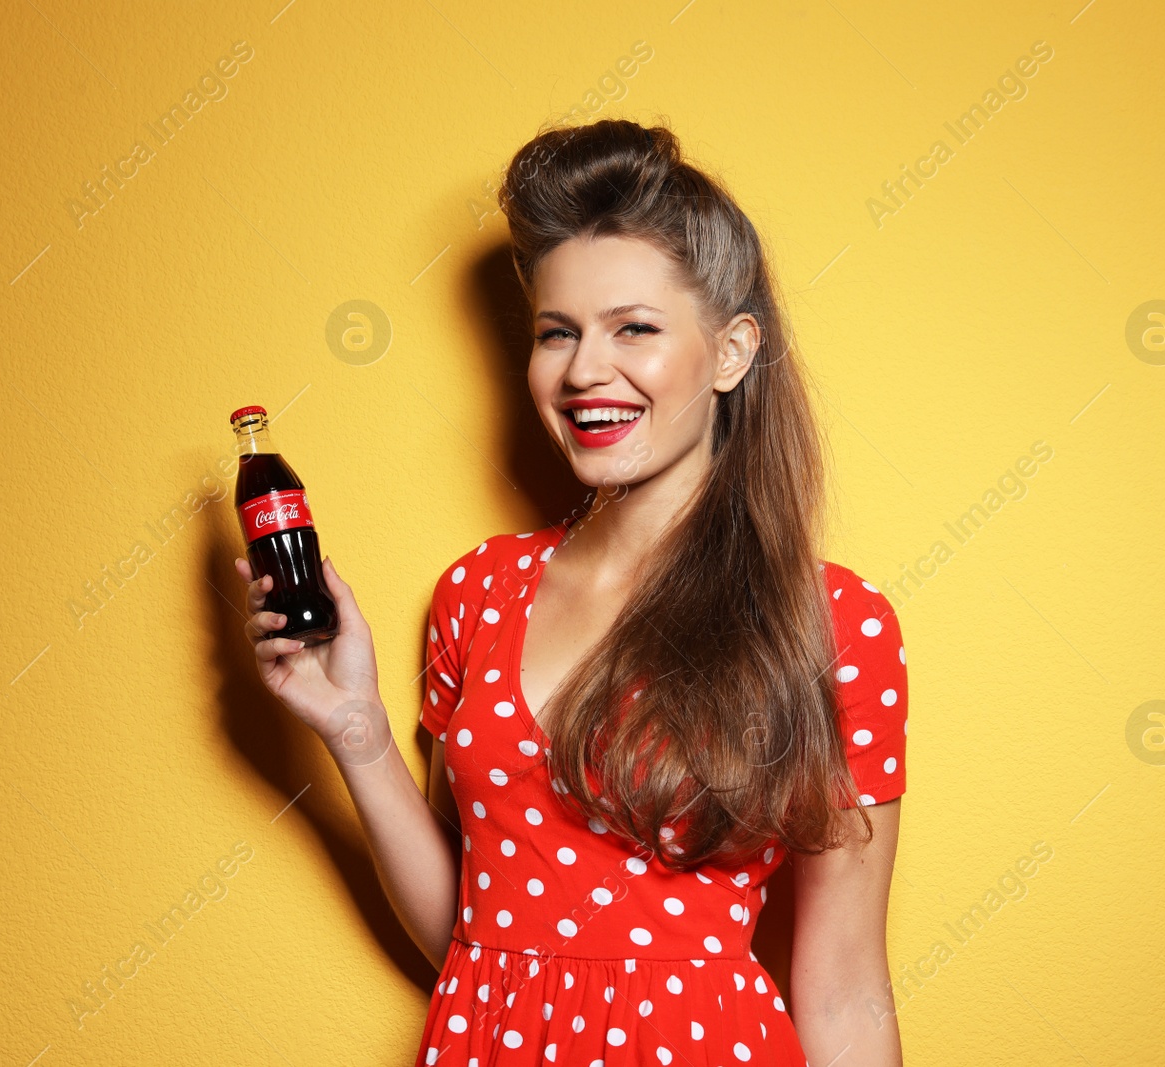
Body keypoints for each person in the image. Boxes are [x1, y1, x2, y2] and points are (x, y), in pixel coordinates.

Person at [235, 118, 908, 1066]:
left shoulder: (833, 623)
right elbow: (472, 940)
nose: (586, 370)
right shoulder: (478, 590)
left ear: (731, 351)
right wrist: (357, 732)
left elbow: (843, 991)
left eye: (634, 327)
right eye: (558, 333)